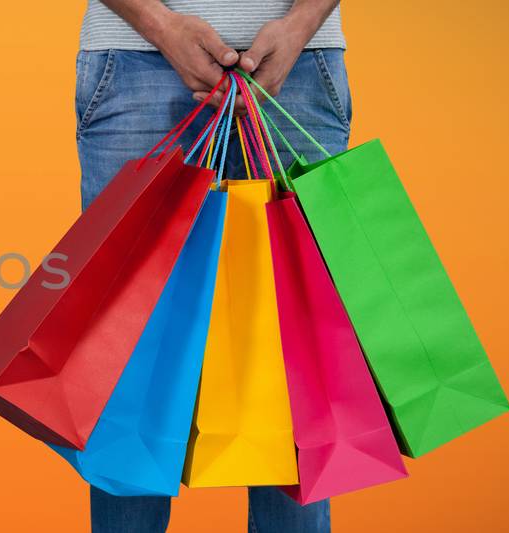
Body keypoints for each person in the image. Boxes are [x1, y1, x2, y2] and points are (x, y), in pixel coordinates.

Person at [75, 1, 348, 532]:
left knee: (299, 352)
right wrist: (161, 25)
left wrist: (301, 24)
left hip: (299, 62)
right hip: (136, 59)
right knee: (126, 354)